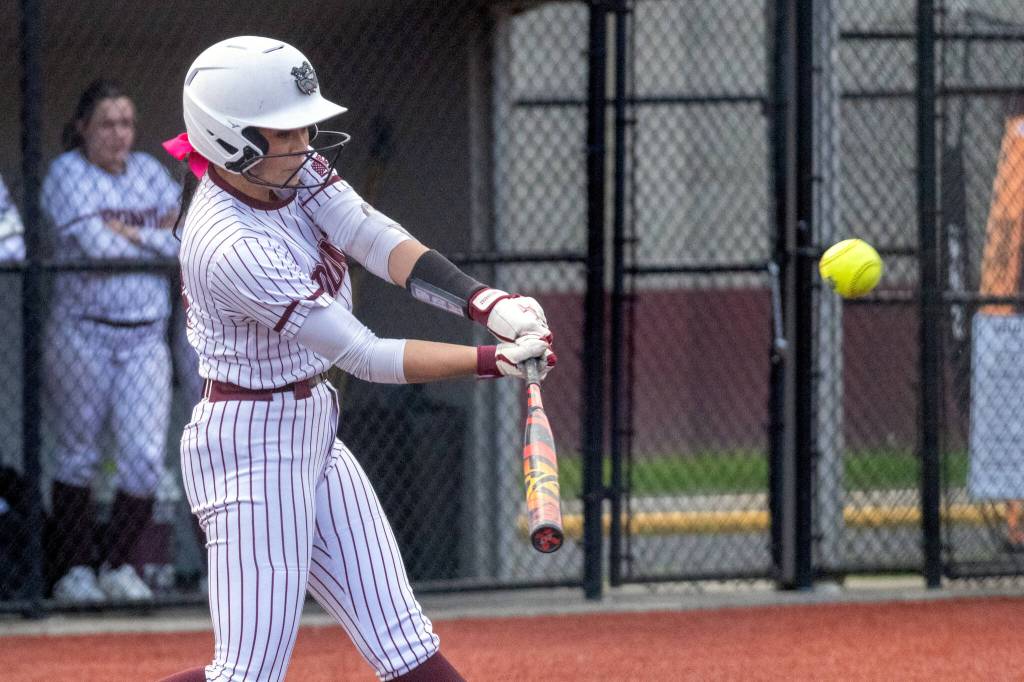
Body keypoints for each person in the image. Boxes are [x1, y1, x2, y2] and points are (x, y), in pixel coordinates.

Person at [157, 36, 554, 682]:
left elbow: (372, 236)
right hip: (250, 450)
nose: (304, 142)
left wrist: (485, 302)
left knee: (406, 645)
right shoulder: (228, 244)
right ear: (231, 141)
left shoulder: (292, 170)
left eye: (303, 126)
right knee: (247, 673)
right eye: (284, 131)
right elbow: (364, 354)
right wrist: (490, 361)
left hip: (311, 424)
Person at [41, 79, 181, 603]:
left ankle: (118, 566)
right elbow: (98, 246)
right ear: (83, 127)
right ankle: (75, 571)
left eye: (126, 123)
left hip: (145, 337)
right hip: (82, 331)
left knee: (144, 458)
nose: (119, 134)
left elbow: (184, 240)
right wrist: (151, 238)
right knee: (77, 455)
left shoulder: (148, 171)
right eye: (106, 123)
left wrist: (132, 234)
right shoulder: (68, 173)